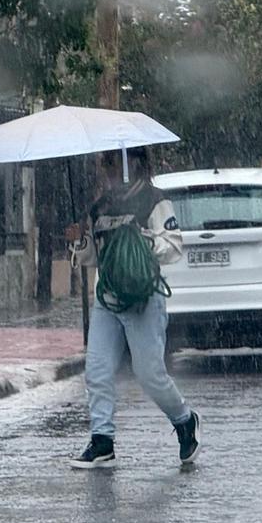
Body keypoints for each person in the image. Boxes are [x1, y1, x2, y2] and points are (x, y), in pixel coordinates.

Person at [66, 146, 201, 469]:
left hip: (142, 297)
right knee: (97, 369)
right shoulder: (99, 208)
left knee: (149, 373)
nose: (107, 169)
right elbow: (93, 258)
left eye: (113, 162)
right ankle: (102, 440)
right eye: (104, 163)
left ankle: (184, 421)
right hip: (107, 298)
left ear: (134, 164)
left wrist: (139, 238)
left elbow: (173, 246)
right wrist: (78, 241)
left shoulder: (155, 200)